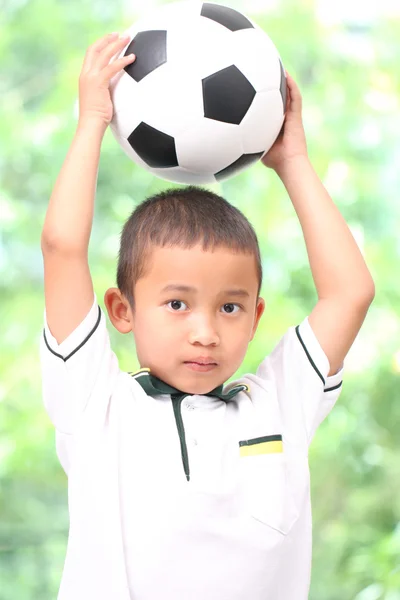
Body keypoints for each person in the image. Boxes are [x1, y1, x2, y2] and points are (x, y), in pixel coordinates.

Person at [39, 32, 375, 600]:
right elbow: (61, 247)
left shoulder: (278, 404)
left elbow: (350, 293)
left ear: (255, 316)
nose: (205, 331)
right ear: (121, 310)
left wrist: (293, 162)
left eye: (230, 307)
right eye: (177, 303)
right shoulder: (96, 405)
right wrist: (92, 121)